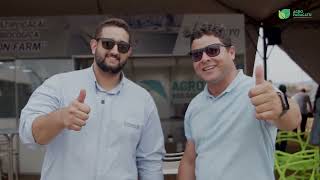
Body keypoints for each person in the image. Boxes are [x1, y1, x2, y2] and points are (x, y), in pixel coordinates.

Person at [19, 18, 165, 180]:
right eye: (108, 44)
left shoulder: (142, 100)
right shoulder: (59, 85)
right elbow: (28, 134)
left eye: (122, 47)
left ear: (128, 53)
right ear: (94, 46)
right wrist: (59, 118)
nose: (115, 51)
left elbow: (150, 161)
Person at [177, 22, 301, 180]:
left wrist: (281, 105)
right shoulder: (195, 106)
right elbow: (189, 160)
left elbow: (293, 120)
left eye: (213, 50)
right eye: (197, 55)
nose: (205, 58)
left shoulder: (257, 90)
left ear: (232, 53)